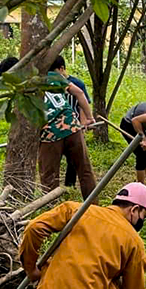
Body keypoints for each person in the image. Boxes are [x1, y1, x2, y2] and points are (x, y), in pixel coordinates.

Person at [39, 68, 96, 200]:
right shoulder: (52, 76)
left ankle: (51, 213)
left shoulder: (21, 86)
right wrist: (89, 118)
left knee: (49, 177)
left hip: (49, 135)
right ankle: (94, 207)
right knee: (85, 170)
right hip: (72, 127)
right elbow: (79, 93)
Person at [49, 56, 92, 189]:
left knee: (75, 160)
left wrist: (85, 121)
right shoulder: (52, 80)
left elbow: (81, 100)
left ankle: (69, 184)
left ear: (62, 69)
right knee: (58, 160)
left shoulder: (76, 83)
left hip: (72, 124)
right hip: (59, 127)